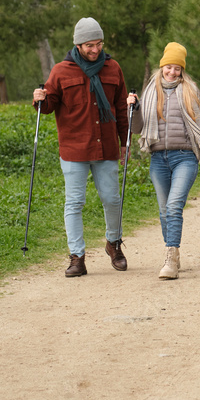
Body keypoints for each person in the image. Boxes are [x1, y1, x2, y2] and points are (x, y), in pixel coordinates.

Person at [32, 17, 130, 278]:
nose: (95, 50)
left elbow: (121, 107)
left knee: (112, 199)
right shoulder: (61, 71)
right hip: (74, 148)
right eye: (89, 45)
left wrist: (125, 143)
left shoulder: (113, 68)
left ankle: (114, 244)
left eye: (99, 44)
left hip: (107, 145)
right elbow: (50, 103)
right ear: (78, 44)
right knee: (74, 202)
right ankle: (77, 257)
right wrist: (40, 99)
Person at [126, 42, 200, 279]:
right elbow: (137, 129)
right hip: (158, 158)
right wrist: (133, 109)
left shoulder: (191, 90)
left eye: (177, 68)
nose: (172, 72)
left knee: (174, 206)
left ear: (182, 70)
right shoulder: (149, 92)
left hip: (185, 157)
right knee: (163, 211)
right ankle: (173, 253)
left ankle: (170, 257)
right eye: (169, 67)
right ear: (162, 66)